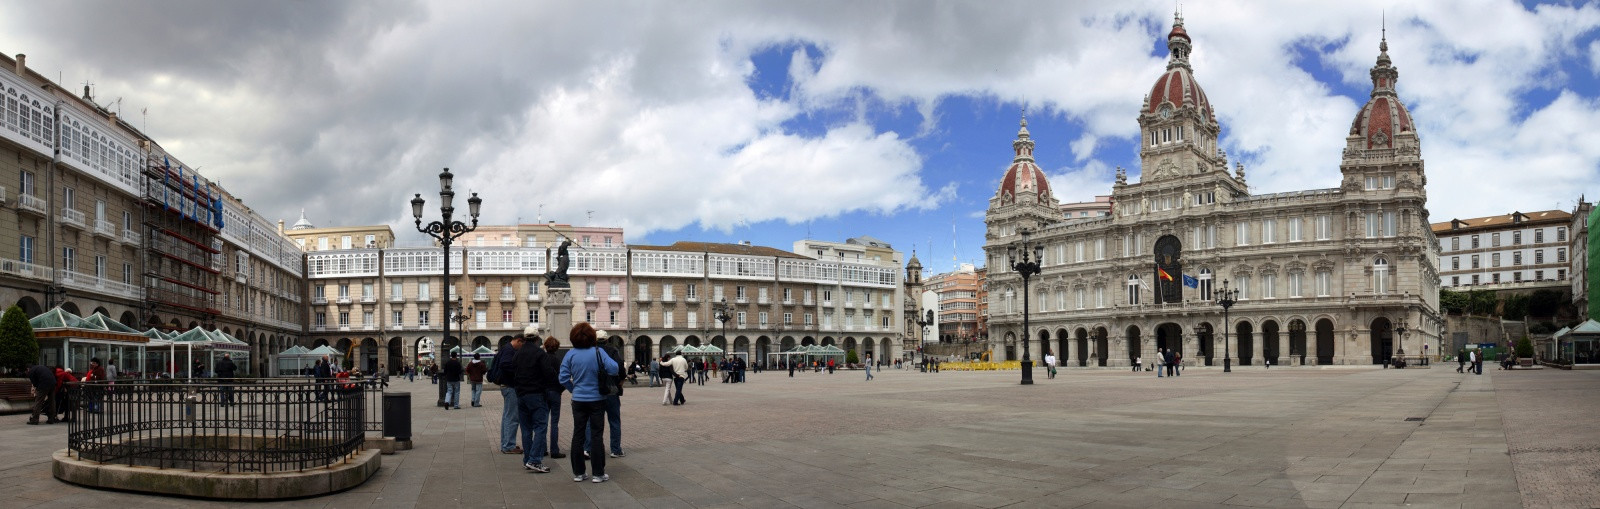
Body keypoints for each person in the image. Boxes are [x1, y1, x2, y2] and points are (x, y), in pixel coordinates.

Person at [559, 322, 618, 483]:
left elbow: (563, 378)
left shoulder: (570, 354)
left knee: (578, 434)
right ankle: (598, 473)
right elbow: (614, 369)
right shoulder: (598, 352)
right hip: (597, 399)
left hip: (578, 400)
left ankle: (579, 473)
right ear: (592, 337)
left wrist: (573, 389)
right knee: (596, 435)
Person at [510, 334, 552, 473]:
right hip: (536, 393)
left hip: (521, 395)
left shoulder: (517, 354)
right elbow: (548, 373)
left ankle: (527, 459)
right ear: (536, 339)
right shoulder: (539, 353)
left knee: (526, 429)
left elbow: (513, 372)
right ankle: (535, 460)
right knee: (540, 427)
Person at [587, 340, 625, 458]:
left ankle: (588, 449)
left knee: (592, 421)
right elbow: (620, 366)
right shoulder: (612, 351)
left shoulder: (590, 352)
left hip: (595, 390)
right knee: (614, 420)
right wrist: (620, 381)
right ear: (607, 341)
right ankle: (615, 449)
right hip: (611, 389)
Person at [492, 334, 523, 454]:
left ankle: (506, 444)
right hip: (510, 386)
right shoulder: (509, 350)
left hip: (506, 386)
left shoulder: (506, 348)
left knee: (507, 416)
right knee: (512, 417)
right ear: (519, 341)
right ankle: (509, 445)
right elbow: (505, 364)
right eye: (522, 345)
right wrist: (518, 371)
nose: (521, 348)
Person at [541, 337, 567, 459]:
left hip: (544, 392)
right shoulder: (557, 360)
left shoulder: (542, 358)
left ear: (545, 346)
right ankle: (554, 450)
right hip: (555, 392)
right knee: (554, 422)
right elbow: (562, 377)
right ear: (557, 347)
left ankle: (543, 448)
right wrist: (560, 389)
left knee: (543, 422)